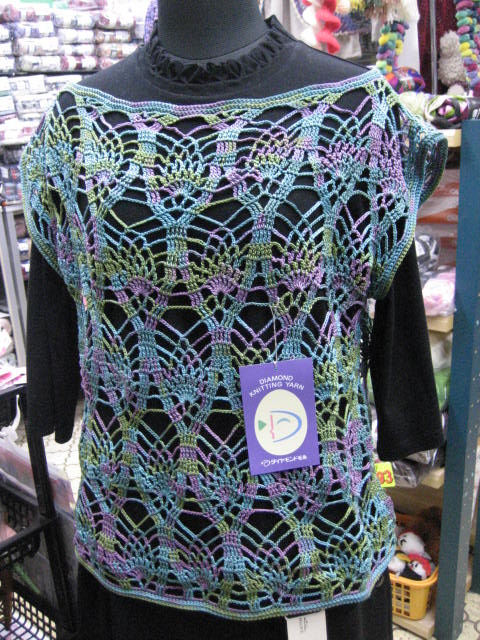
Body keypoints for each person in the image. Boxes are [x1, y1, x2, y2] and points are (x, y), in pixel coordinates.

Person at [21, 2, 447, 638]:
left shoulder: (356, 113)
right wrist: (50, 399)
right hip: (137, 545)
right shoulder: (77, 128)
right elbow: (55, 319)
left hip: (308, 551)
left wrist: (407, 417)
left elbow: (393, 298)